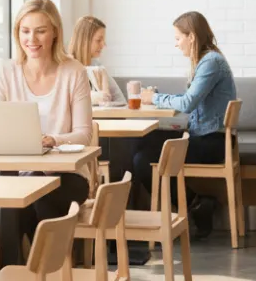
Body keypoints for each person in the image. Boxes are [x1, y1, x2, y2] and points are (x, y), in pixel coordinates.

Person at [0, 0, 93, 239]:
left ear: (55, 32)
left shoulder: (73, 71)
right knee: (15, 206)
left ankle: (43, 271)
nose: (31, 40)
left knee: (41, 198)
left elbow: (83, 134)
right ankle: (31, 271)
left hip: (68, 176)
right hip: (19, 173)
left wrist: (51, 140)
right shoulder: (4, 72)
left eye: (40, 31)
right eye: (25, 31)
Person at [131, 12, 236, 239]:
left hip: (212, 142)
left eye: (178, 38)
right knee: (143, 142)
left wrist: (154, 99)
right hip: (206, 137)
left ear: (192, 36)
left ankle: (178, 214)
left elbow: (188, 103)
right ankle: (196, 204)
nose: (176, 44)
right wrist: (158, 96)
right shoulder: (207, 60)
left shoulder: (210, 63)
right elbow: (190, 98)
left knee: (142, 158)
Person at [67, 15, 126, 106]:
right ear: (84, 41)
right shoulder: (67, 67)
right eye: (98, 40)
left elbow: (121, 100)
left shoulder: (97, 67)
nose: (103, 45)